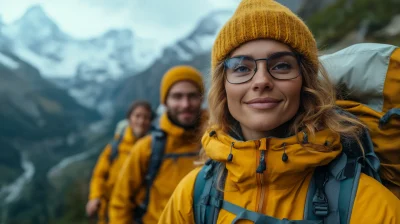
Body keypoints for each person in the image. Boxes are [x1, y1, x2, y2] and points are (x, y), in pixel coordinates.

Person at [158, 0, 400, 223]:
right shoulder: (192, 197)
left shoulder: (367, 204)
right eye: (242, 68)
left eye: (282, 65)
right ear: (223, 87)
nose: (261, 80)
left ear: (306, 82)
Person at [109, 65, 207, 224]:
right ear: (165, 101)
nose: (185, 104)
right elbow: (121, 202)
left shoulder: (220, 142)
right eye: (177, 96)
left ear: (202, 99)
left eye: (192, 96)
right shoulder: (147, 147)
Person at [86, 101, 153, 224]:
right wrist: (95, 197)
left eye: (146, 117)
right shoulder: (114, 147)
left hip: (137, 215)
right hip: (107, 213)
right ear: (129, 119)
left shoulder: (154, 150)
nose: (141, 121)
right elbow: (99, 175)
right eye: (137, 116)